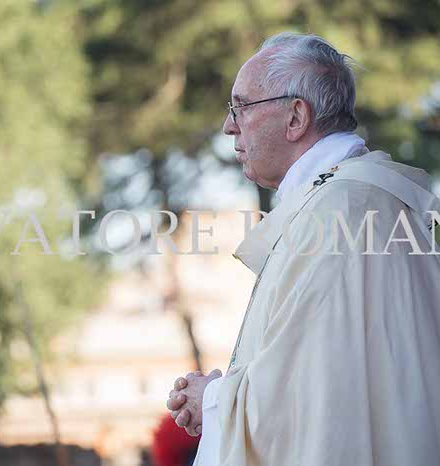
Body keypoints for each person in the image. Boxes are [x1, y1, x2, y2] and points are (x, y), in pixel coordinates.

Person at [166, 32, 440, 466]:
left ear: (296, 117)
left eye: (241, 107)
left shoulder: (340, 211)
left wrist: (214, 400)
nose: (229, 126)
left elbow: (310, 402)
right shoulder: (352, 200)